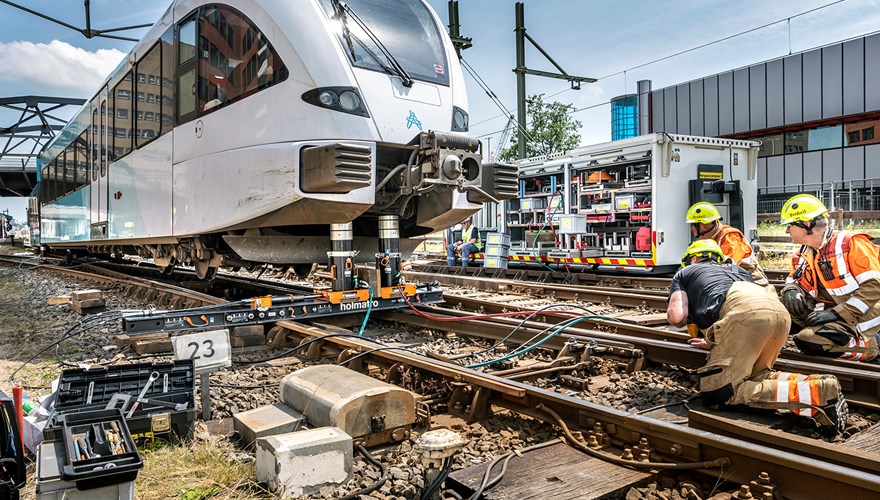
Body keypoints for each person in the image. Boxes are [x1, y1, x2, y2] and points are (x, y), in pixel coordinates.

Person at [668, 239, 847, 436]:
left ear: (693, 258)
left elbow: (677, 317)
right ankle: (818, 383)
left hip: (746, 317)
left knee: (721, 392)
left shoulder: (685, 272)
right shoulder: (738, 270)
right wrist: (716, 339)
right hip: (779, 314)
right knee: (757, 374)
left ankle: (815, 395)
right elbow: (745, 306)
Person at [779, 193, 880, 362]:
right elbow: (794, 279)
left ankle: (873, 346)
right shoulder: (805, 251)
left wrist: (836, 313)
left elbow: (875, 287)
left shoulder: (850, 244)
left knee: (809, 340)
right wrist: (791, 290)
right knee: (778, 310)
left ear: (806, 224)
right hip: (831, 309)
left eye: (790, 225)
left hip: (866, 312)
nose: (787, 230)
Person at [685, 201, 770, 287]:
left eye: (692, 225)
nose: (691, 230)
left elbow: (727, 267)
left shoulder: (731, 237)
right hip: (737, 282)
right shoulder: (713, 239)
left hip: (754, 285)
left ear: (703, 225)